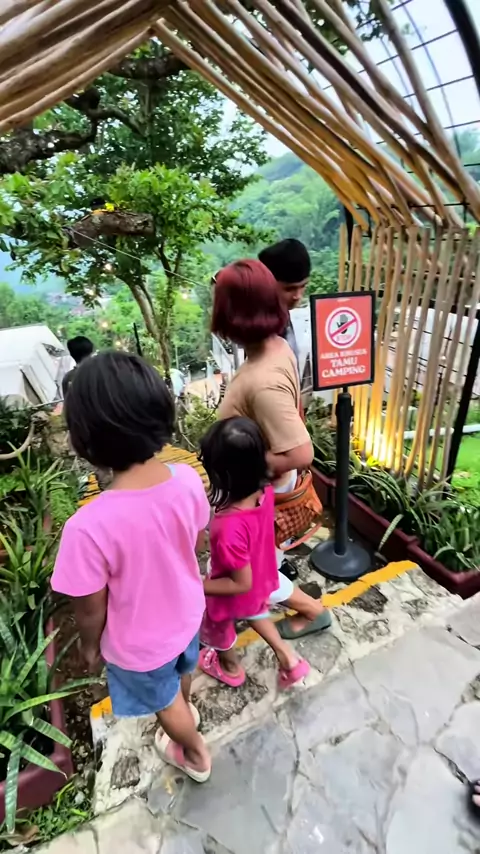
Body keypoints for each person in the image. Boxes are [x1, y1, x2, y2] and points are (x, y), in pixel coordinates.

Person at [51, 351, 211, 783]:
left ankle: (194, 752)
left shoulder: (87, 527)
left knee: (163, 701)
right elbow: (197, 541)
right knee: (182, 671)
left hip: (141, 645)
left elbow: (90, 609)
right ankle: (186, 711)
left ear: (86, 438)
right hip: (188, 613)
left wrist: (90, 648)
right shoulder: (186, 479)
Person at [213, 259, 332, 639]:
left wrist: (240, 463)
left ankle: (312, 611)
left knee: (255, 572)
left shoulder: (261, 380)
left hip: (262, 491)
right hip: (265, 487)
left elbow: (300, 453)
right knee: (264, 562)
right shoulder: (275, 347)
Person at [198, 416, 310, 688]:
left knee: (216, 625)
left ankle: (230, 668)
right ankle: (288, 659)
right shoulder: (265, 492)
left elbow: (240, 584)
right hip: (261, 571)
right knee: (255, 609)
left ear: (219, 474)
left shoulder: (227, 527)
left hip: (234, 586)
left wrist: (198, 584)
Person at [258, 238, 311, 369]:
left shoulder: (291, 318)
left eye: (303, 286)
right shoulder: (257, 328)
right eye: (289, 289)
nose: (297, 296)